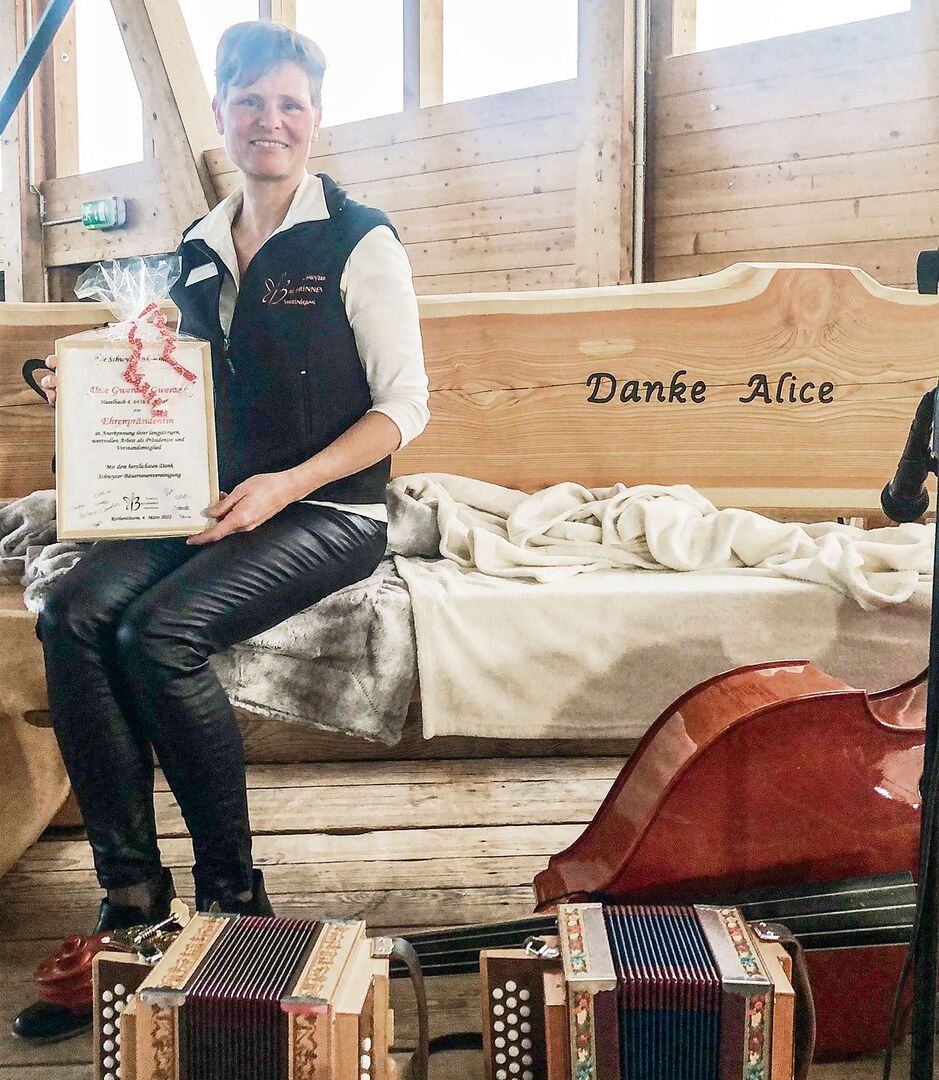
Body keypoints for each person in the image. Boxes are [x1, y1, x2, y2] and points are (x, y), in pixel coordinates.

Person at [13, 20, 429, 1043]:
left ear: (316, 118)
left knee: (157, 633)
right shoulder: (195, 247)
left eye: (289, 103)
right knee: (73, 612)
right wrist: (89, 383)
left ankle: (235, 904)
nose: (269, 120)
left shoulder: (359, 240)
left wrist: (288, 485)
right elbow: (163, 373)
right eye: (250, 102)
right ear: (223, 113)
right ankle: (131, 903)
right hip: (204, 499)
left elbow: (404, 409)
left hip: (328, 508)